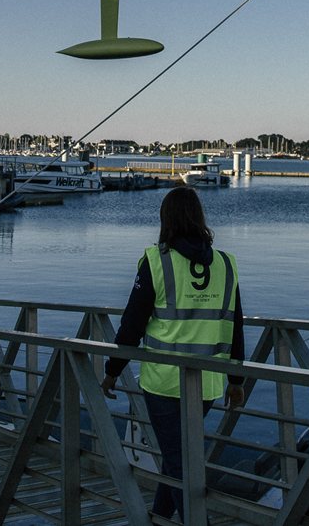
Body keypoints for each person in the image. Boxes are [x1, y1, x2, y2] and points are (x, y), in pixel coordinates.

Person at [101, 186, 245, 522]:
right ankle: (159, 518)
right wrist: (236, 380)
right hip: (208, 384)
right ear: (200, 218)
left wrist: (112, 370)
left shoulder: (157, 261)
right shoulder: (225, 264)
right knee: (175, 454)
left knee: (180, 464)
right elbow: (234, 328)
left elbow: (131, 325)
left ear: (165, 219)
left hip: (164, 384)